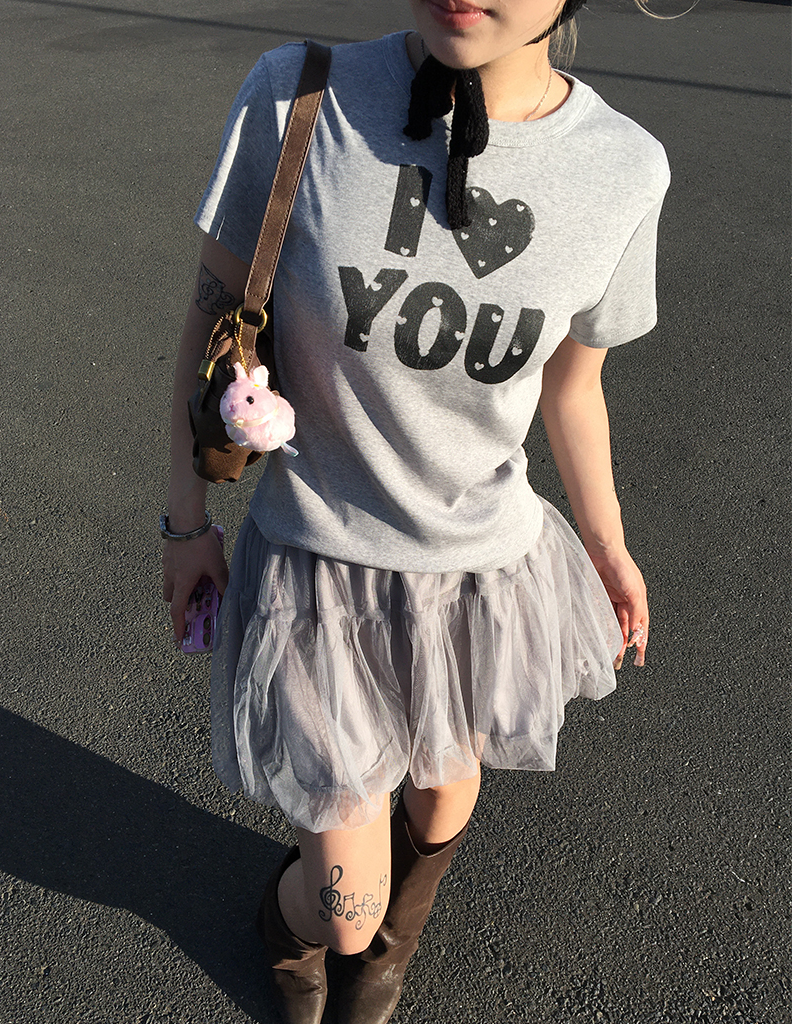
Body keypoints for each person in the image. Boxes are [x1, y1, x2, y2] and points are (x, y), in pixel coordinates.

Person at [162, 2, 668, 1022]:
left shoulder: (622, 168)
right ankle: (304, 928)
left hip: (485, 574)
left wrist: (609, 544)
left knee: (441, 798)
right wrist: (186, 520)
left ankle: (402, 925)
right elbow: (211, 327)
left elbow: (574, 386)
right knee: (341, 907)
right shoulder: (298, 96)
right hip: (319, 566)